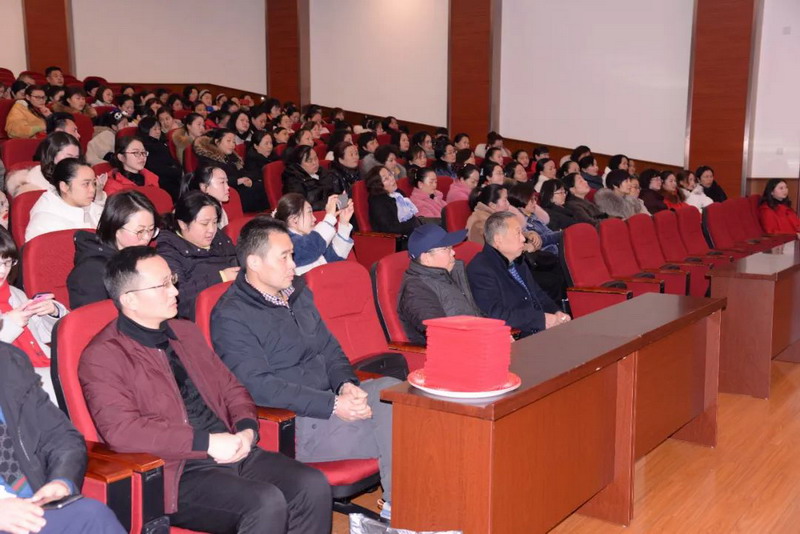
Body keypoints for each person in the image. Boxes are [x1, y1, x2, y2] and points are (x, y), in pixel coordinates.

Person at [79, 246, 331, 533]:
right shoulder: (103, 356)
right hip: (176, 470)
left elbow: (231, 388)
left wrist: (247, 430)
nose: (174, 292)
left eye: (172, 280)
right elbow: (123, 431)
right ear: (130, 299)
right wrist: (207, 443)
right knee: (265, 502)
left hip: (231, 448)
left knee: (311, 485)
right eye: (162, 285)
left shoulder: (184, 332)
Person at [210, 217, 397, 520]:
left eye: (292, 255)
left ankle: (401, 504)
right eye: (283, 257)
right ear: (254, 262)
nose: (293, 265)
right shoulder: (231, 315)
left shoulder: (297, 293)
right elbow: (258, 386)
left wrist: (346, 385)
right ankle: (403, 509)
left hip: (329, 399)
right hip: (295, 421)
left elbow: (331, 348)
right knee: (405, 426)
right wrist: (332, 404)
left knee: (396, 394)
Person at [0, 342, 126, 534]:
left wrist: (61, 480)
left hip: (31, 503)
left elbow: (61, 436)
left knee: (91, 516)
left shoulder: (8, 360)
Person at [467, 212, 569, 338]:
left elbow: (538, 294)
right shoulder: (480, 270)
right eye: (518, 233)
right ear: (498, 239)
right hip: (518, 336)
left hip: (538, 330)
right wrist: (541, 319)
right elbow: (496, 314)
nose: (523, 239)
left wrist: (557, 312)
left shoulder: (515, 259)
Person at [0, 226, 67, 402]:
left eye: (7, 262)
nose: (2, 271)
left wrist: (51, 312)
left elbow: (43, 335)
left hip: (45, 364)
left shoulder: (15, 293)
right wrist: (10, 323)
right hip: (16, 378)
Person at [68, 190, 158, 309]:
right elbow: (92, 318)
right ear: (116, 229)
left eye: (151, 230)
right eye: (140, 231)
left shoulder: (142, 257)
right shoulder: (91, 271)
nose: (147, 238)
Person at [157, 191, 238, 320]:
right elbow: (179, 297)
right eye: (204, 224)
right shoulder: (168, 251)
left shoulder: (219, 238)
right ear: (183, 224)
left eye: (215, 222)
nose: (211, 230)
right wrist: (220, 277)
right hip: (209, 316)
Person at [398, 224, 482, 345]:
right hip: (457, 350)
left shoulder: (449, 273)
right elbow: (440, 333)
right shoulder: (416, 290)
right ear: (426, 258)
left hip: (477, 340)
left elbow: (475, 313)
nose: (453, 252)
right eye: (446, 248)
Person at [274, 193, 354, 275]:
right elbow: (310, 249)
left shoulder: (311, 240)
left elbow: (335, 259)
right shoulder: (285, 243)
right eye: (309, 212)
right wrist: (329, 218)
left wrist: (344, 223)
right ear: (294, 219)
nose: (314, 219)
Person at [26, 159, 104, 242]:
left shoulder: (92, 208)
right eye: (86, 184)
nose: (93, 190)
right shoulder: (44, 222)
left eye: (94, 183)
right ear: (64, 187)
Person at [195, 129, 269, 213]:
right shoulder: (208, 160)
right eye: (228, 141)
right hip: (225, 192)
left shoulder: (232, 158)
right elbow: (214, 182)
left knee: (260, 185)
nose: (232, 145)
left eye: (234, 142)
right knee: (254, 191)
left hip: (237, 188)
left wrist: (248, 179)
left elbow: (242, 172)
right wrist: (237, 181)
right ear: (217, 142)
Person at [5, 132, 81, 197]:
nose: (73, 162)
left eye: (76, 158)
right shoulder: (33, 184)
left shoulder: (78, 178)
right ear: (52, 155)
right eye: (69, 156)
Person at [366, 165, 421, 235]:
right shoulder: (377, 201)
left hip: (414, 229)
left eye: (390, 175)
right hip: (400, 238)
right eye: (386, 179)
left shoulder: (398, 192)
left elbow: (411, 214)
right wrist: (414, 223)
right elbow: (389, 228)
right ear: (378, 185)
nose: (392, 178)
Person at [137, 117, 183, 200]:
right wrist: (178, 172)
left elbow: (170, 161)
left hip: (172, 177)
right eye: (155, 129)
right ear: (146, 130)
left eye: (159, 129)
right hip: (162, 181)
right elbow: (157, 168)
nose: (158, 132)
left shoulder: (161, 143)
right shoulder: (146, 147)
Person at [281, 144, 333, 211]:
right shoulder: (293, 181)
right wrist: (328, 204)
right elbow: (301, 207)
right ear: (298, 164)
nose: (315, 163)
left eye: (315, 158)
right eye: (309, 161)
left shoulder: (323, 172)